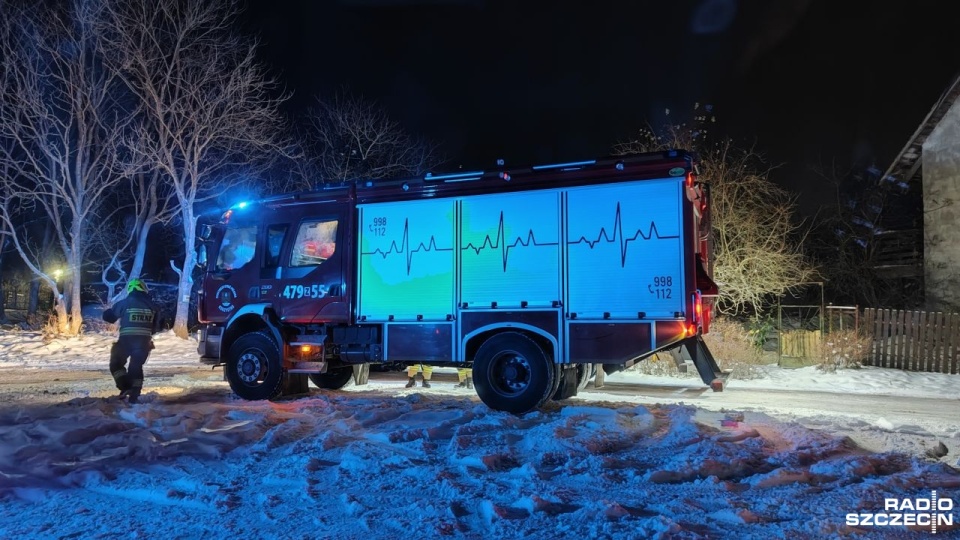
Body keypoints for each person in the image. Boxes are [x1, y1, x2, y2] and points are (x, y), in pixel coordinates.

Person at [102, 279, 160, 403]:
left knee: (116, 364)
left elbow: (109, 317)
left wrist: (107, 312)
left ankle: (125, 386)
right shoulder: (153, 306)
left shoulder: (125, 303)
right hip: (144, 342)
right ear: (144, 289)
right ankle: (135, 394)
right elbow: (157, 327)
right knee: (136, 366)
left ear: (130, 289)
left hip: (126, 341)